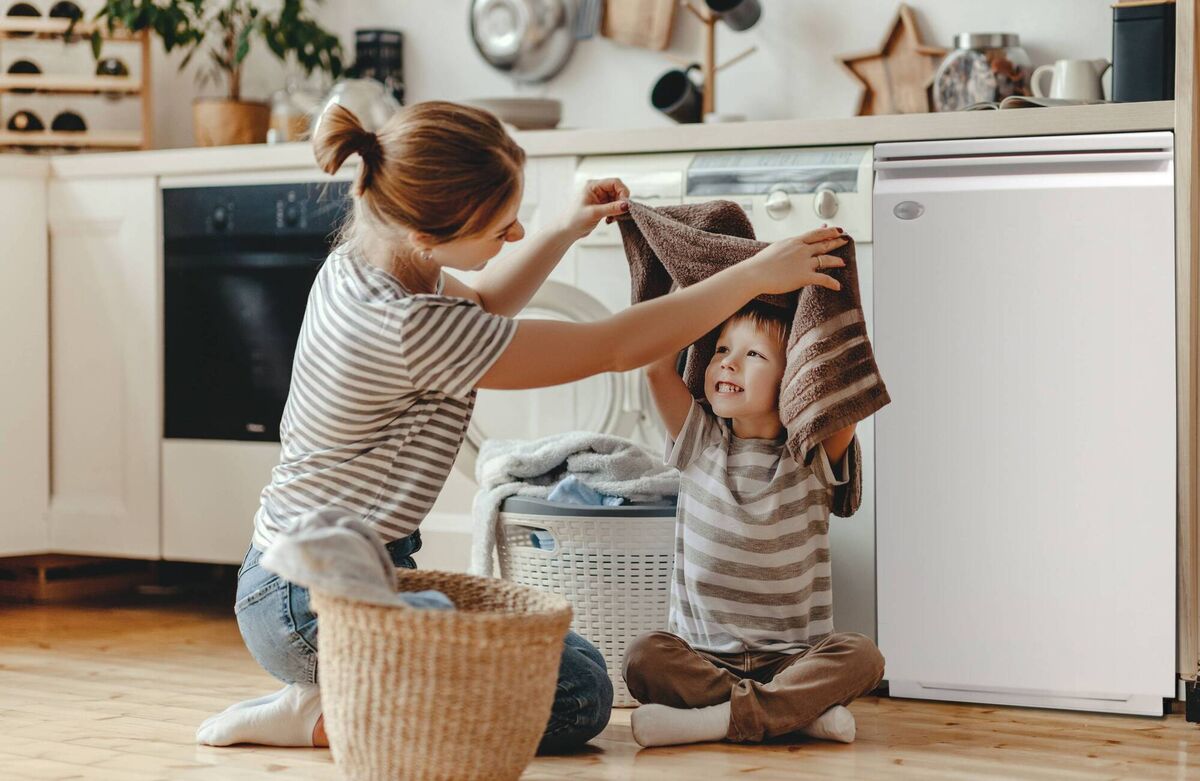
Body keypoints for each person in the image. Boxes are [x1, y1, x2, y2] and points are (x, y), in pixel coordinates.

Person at [195, 100, 849, 752]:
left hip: (339, 576)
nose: (512, 237)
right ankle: (323, 712)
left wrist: (564, 228)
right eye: (501, 227)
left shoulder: (370, 265)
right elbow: (612, 347)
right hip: (305, 602)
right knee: (575, 703)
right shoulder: (407, 328)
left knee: (582, 667)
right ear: (426, 235)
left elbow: (484, 302)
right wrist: (753, 276)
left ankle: (351, 687)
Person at [623, 301, 885, 747]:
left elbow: (847, 388)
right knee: (644, 658)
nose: (727, 361)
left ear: (796, 379)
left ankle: (714, 721)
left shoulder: (809, 458)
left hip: (792, 659)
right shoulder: (698, 441)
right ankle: (793, 714)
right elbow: (655, 369)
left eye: (754, 355)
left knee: (864, 657)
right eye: (723, 348)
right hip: (703, 658)